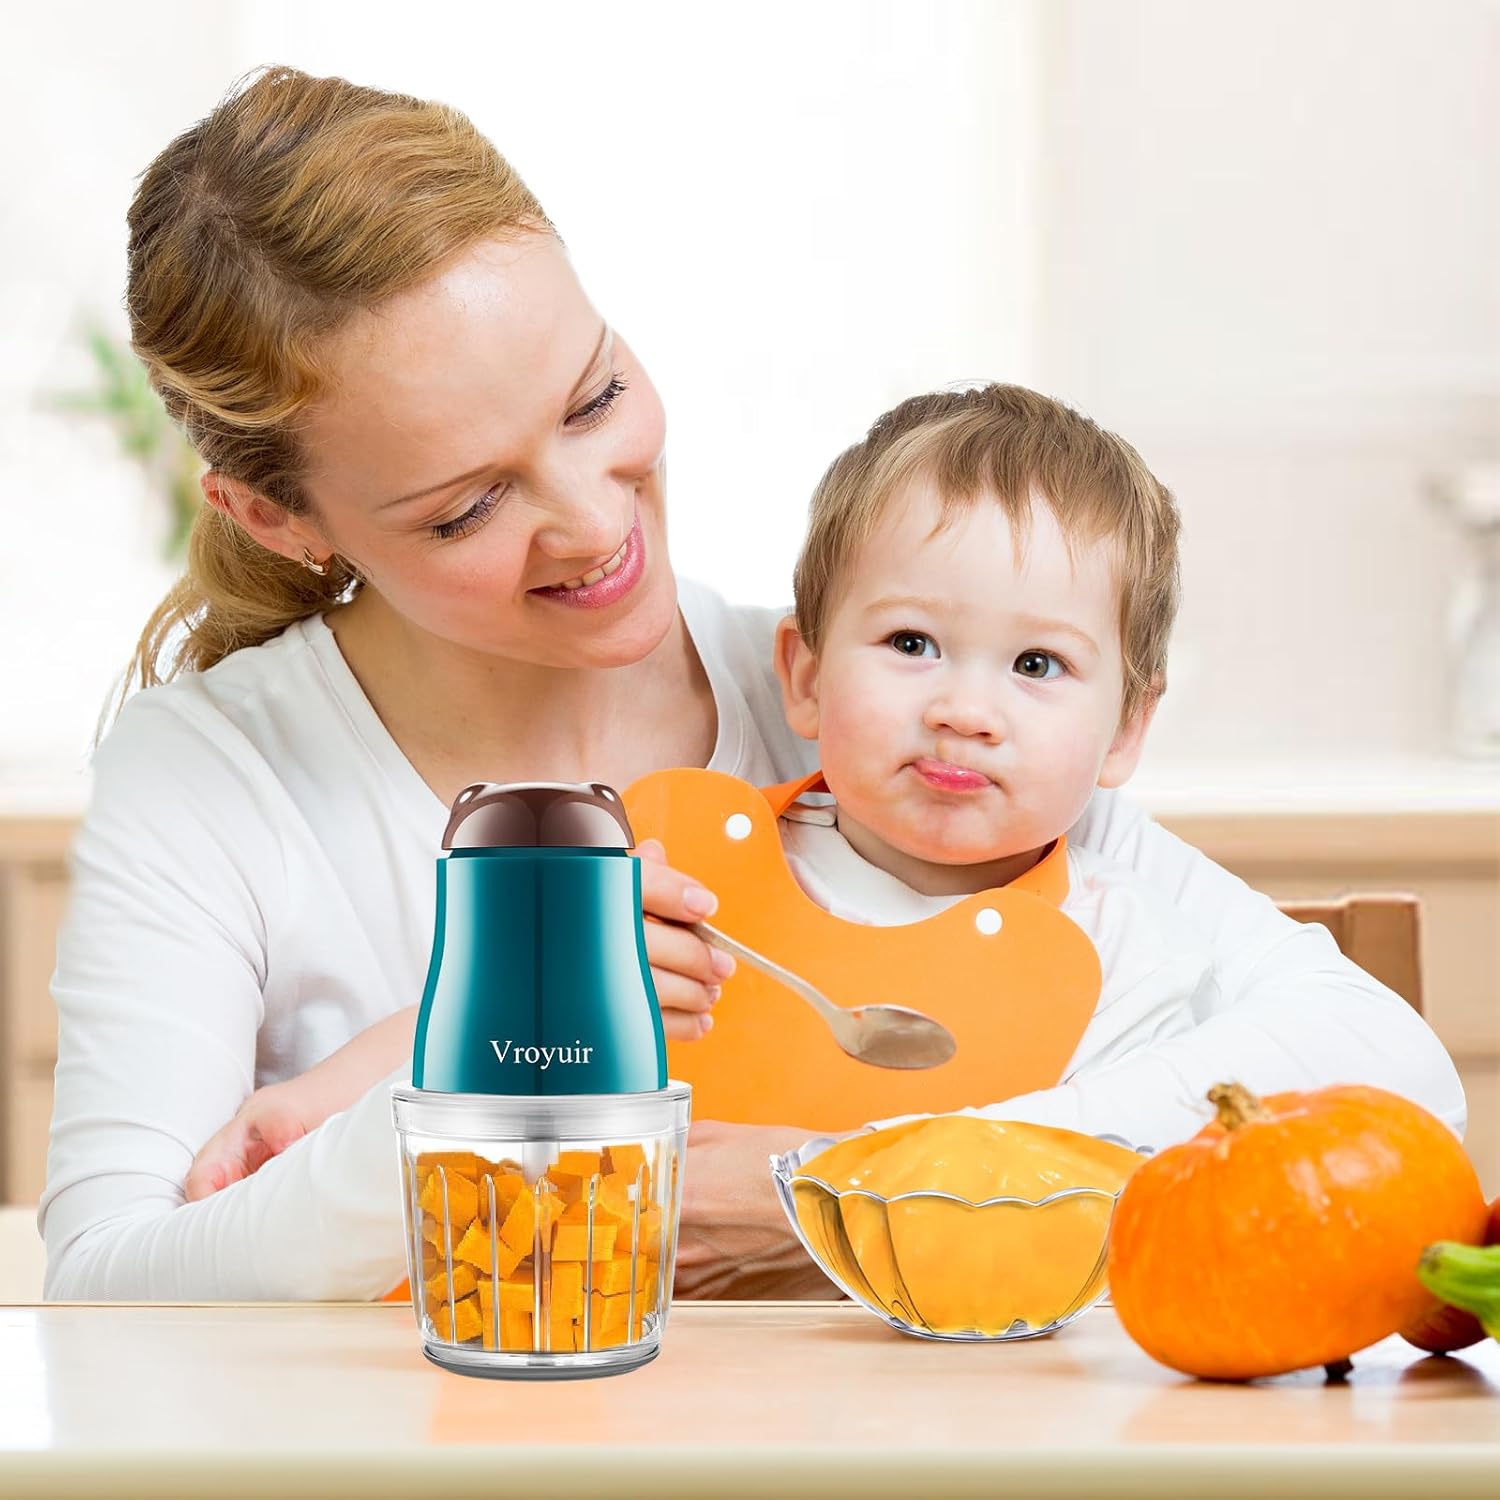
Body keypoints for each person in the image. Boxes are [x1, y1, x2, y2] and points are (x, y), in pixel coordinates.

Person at [40, 67, 1466, 1304]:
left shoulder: (892, 719)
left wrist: (839, 1188)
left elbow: (1377, 1078)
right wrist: (476, 1057)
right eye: (468, 506)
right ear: (278, 518)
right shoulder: (213, 774)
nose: (599, 524)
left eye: (595, 399)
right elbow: (107, 1282)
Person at [184, 380, 1223, 1197]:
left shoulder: (1137, 963)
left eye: (1036, 666)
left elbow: (1118, 1198)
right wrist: (314, 1106)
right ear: (805, 675)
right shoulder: (679, 884)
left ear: (1128, 727)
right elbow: (489, 1019)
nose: (964, 708)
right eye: (913, 642)